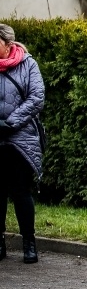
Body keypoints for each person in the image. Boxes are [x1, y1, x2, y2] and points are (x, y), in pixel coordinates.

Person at [0, 23, 45, 263]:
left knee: (21, 192)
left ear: (8, 45)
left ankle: (29, 242)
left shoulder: (28, 64)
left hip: (21, 138)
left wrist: (10, 122)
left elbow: (36, 98)